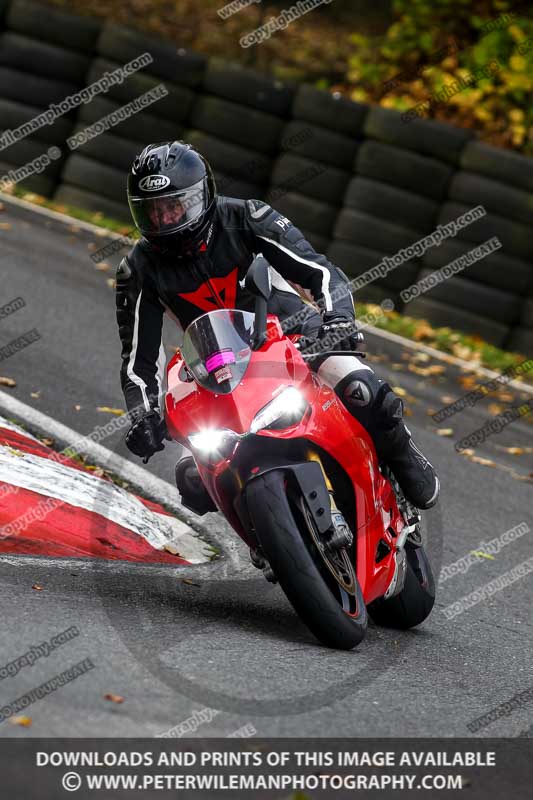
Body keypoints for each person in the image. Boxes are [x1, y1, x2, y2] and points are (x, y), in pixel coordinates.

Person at [117, 141, 439, 512]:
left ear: (199, 197)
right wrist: (143, 415)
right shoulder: (137, 269)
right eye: (152, 213)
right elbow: (138, 360)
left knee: (363, 390)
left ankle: (403, 455)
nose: (164, 221)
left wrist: (338, 320)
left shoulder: (247, 218)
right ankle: (268, 541)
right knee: (192, 482)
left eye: (173, 207)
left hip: (291, 335)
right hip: (217, 368)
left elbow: (319, 272)